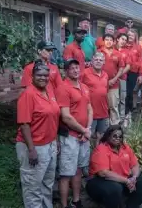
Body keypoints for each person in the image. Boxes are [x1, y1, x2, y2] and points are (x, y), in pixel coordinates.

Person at [16, 61, 60, 208]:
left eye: (46, 75)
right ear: (32, 76)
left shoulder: (49, 90)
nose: (43, 78)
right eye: (39, 75)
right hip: (34, 146)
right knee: (33, 187)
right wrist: (31, 150)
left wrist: (56, 140)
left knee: (47, 183)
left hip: (50, 144)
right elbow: (24, 124)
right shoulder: (28, 94)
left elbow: (54, 116)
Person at [56, 59, 93, 208]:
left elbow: (90, 109)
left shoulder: (84, 87)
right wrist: (83, 130)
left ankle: (76, 201)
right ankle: (64, 205)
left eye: (77, 68)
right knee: (66, 173)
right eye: (72, 69)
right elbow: (65, 116)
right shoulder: (63, 88)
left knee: (78, 170)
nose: (76, 71)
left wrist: (88, 129)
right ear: (66, 71)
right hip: (70, 136)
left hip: (83, 136)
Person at [86, 125, 142, 208]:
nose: (117, 138)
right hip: (99, 182)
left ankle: (131, 206)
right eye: (114, 136)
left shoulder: (125, 147)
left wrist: (134, 178)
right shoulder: (101, 149)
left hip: (121, 180)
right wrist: (127, 181)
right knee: (115, 188)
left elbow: (135, 165)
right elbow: (103, 173)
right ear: (108, 136)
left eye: (120, 136)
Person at [81, 52, 109, 145]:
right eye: (96, 59)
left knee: (101, 136)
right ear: (92, 61)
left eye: (101, 60)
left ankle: (97, 155)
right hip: (90, 112)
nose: (98, 62)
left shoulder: (105, 74)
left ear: (104, 62)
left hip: (103, 111)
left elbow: (106, 92)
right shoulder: (85, 73)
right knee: (88, 137)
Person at [98, 33, 124, 125]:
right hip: (100, 84)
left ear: (113, 42)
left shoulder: (118, 54)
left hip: (114, 84)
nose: (108, 42)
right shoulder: (99, 53)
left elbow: (121, 68)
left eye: (110, 40)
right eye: (107, 40)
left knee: (113, 106)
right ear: (103, 41)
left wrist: (114, 79)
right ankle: (103, 128)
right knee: (103, 106)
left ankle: (114, 126)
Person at [125, 29, 142, 123]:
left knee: (130, 93)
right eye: (129, 35)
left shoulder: (138, 47)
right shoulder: (122, 45)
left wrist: (141, 74)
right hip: (123, 72)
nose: (130, 36)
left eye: (132, 35)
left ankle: (129, 112)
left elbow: (141, 62)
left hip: (133, 72)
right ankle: (124, 112)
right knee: (123, 93)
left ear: (135, 37)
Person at [115, 33, 132, 127]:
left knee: (122, 99)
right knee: (113, 100)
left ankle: (121, 120)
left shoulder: (127, 52)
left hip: (122, 79)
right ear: (117, 39)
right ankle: (114, 119)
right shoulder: (112, 49)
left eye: (125, 40)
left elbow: (128, 66)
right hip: (111, 79)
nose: (124, 41)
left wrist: (118, 75)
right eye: (122, 39)